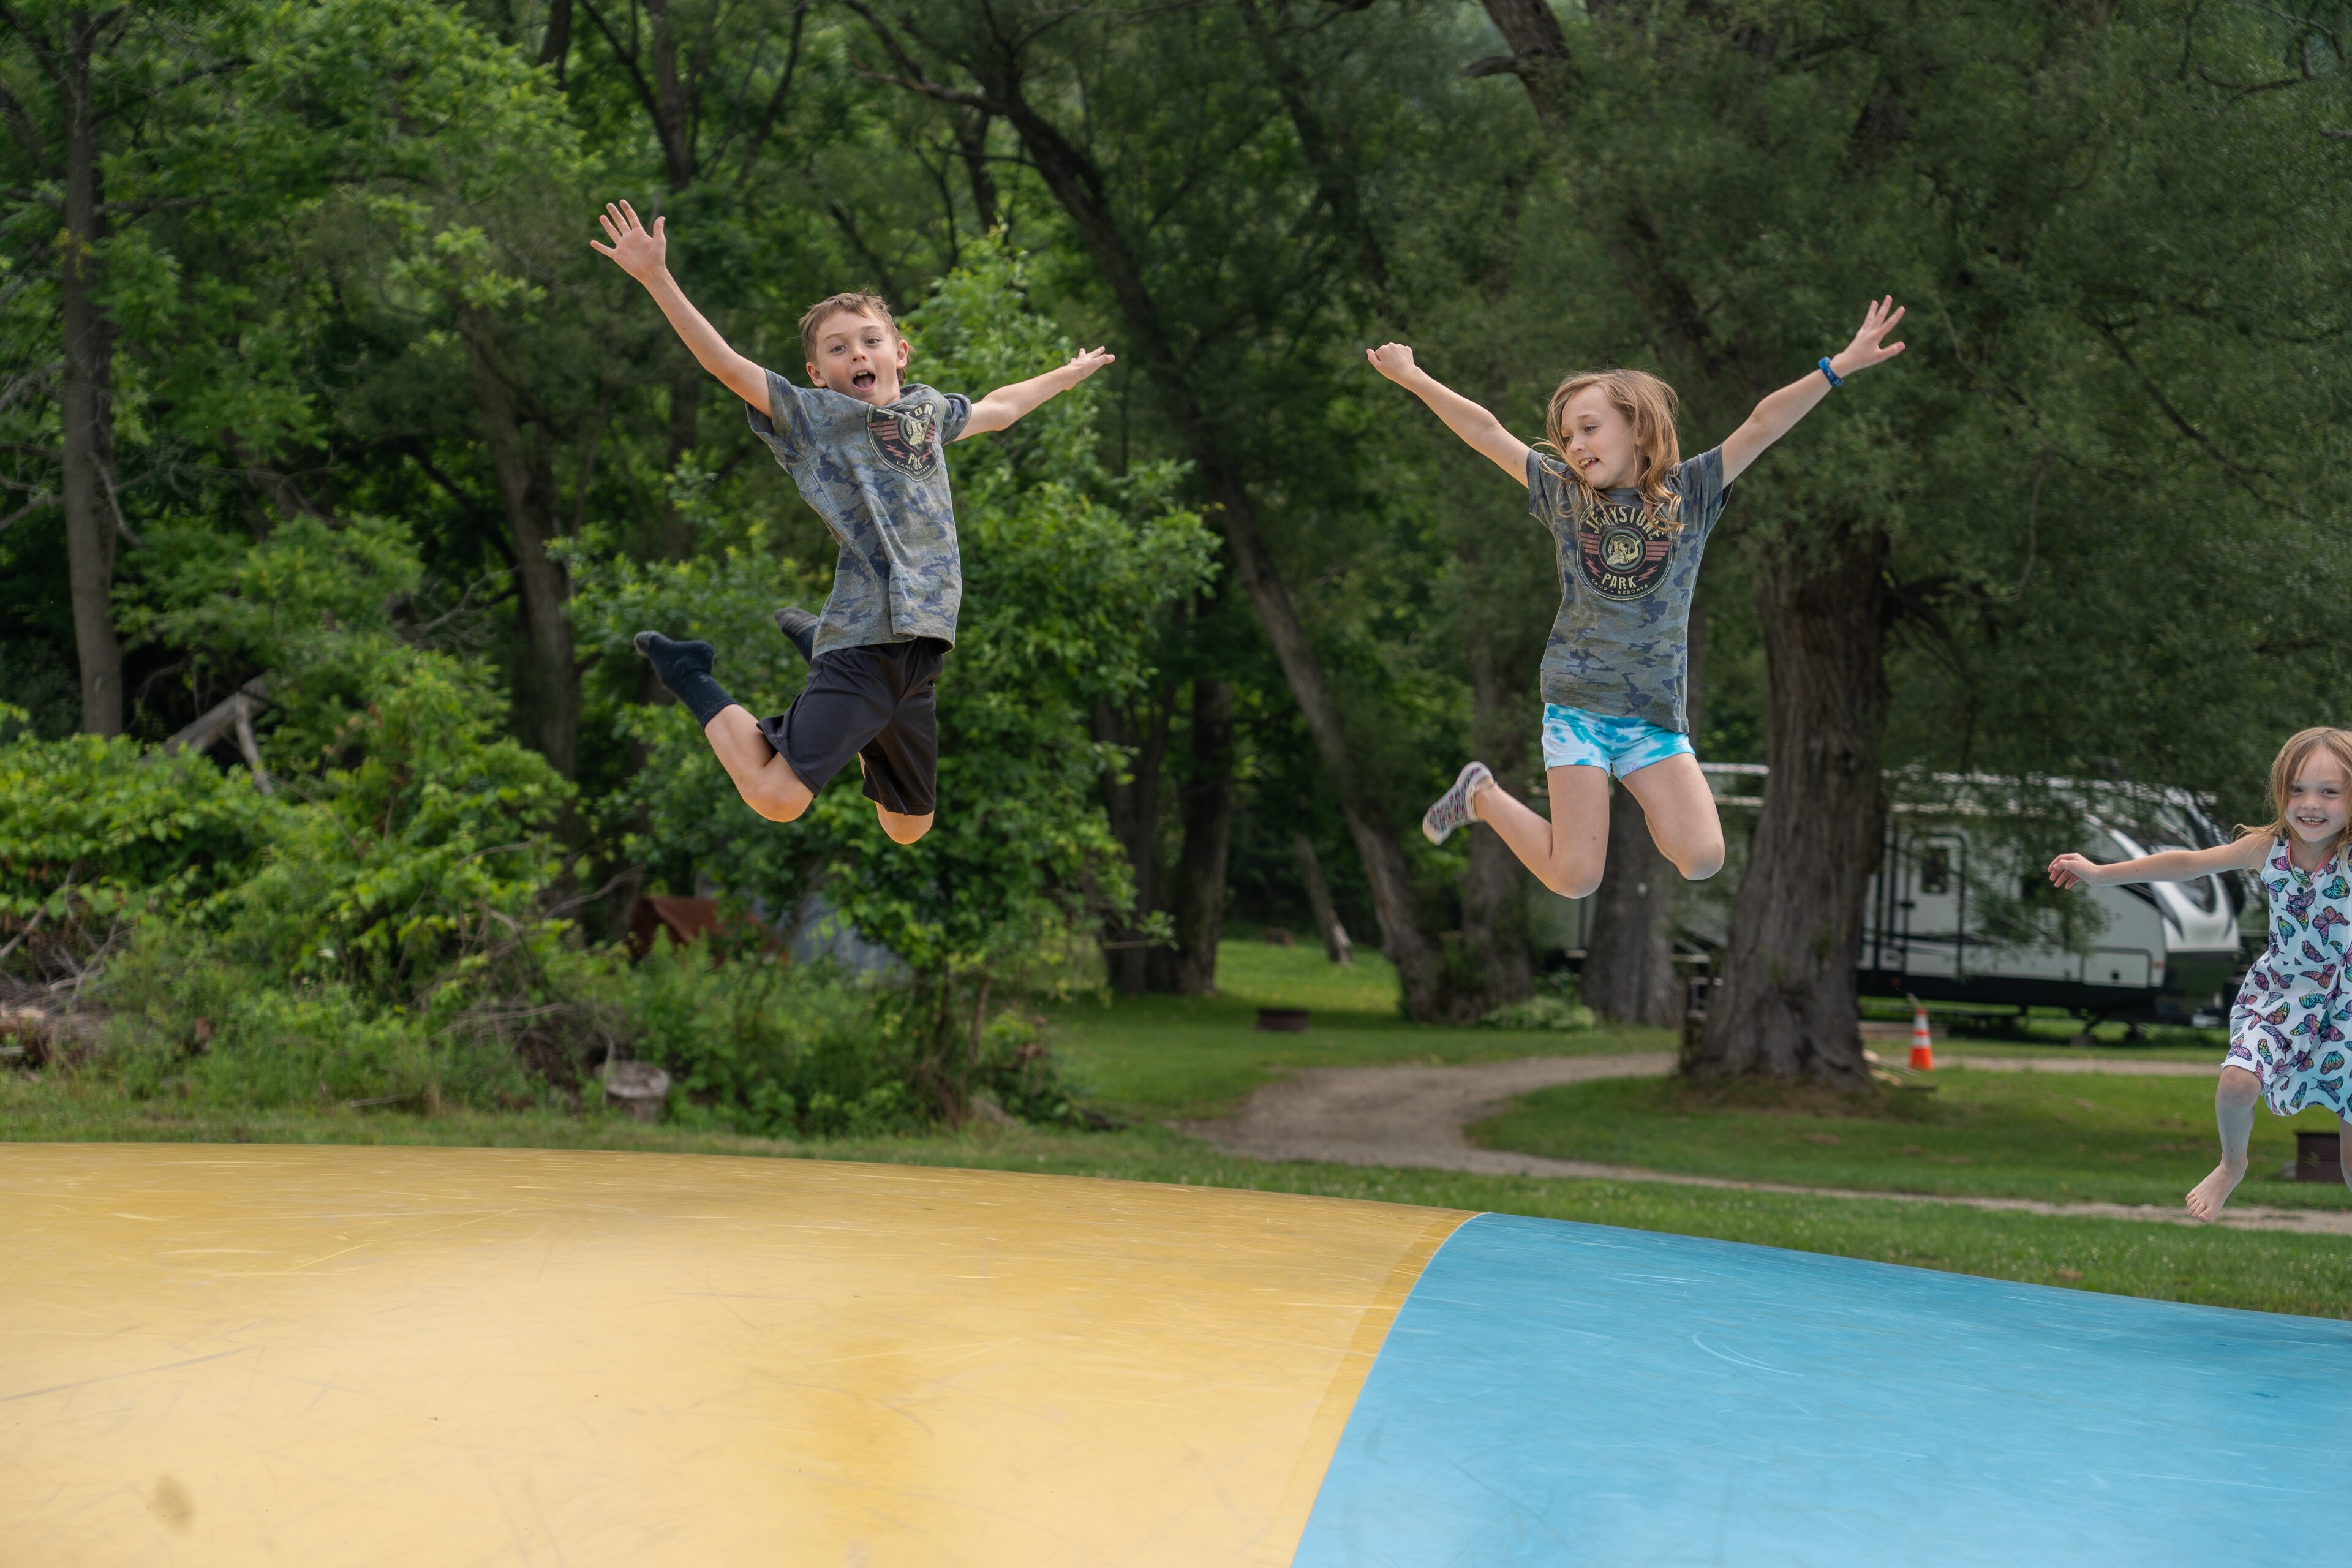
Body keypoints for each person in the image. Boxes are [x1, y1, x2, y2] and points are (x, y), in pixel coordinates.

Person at [590, 199, 1113, 843]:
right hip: (865, 644)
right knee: (778, 798)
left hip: (919, 648)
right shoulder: (813, 421)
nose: (856, 354)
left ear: (900, 353)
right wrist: (655, 278)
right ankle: (689, 670)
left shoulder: (925, 413)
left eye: (869, 342)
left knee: (908, 826)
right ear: (818, 373)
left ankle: (818, 651)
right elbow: (724, 364)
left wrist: (1069, 373)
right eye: (837, 350)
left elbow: (1000, 408)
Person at [1365, 300, 1907, 895]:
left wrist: (1838, 367)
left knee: (1702, 857)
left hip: (1652, 717)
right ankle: (1482, 795)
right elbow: (1485, 431)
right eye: (1567, 435)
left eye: (1589, 428)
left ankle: (1636, 787)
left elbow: (1761, 425)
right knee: (1575, 879)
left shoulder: (1691, 493)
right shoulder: (1565, 498)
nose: (1574, 444)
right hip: (1578, 706)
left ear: (1638, 428)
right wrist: (1413, 377)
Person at [2048, 727, 2352, 1221]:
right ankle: (2232, 1164)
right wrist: (2101, 873)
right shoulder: (2268, 849)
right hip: (2285, 995)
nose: (2309, 803)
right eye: (2296, 789)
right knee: (2236, 1083)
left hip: (2348, 1008)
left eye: (2329, 791)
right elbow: (2187, 864)